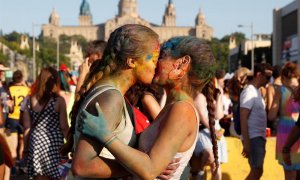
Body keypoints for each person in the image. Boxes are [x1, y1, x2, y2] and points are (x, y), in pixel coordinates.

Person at [76, 35, 217, 179]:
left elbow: (149, 170)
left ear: (182, 64)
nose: (155, 64)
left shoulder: (182, 110)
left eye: (161, 57)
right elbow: (149, 165)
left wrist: (105, 135)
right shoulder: (174, 106)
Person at [22, 67, 69, 179]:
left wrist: (25, 148)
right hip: (55, 142)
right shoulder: (59, 101)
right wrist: (71, 145)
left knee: (40, 176)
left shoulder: (29, 100)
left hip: (37, 142)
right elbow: (64, 127)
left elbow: (27, 128)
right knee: (57, 175)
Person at [240, 63, 273, 180]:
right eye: (268, 76)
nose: (270, 80)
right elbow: (243, 117)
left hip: (258, 137)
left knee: (257, 170)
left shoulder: (256, 91)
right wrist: (247, 143)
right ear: (259, 74)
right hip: (253, 138)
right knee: (256, 171)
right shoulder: (249, 92)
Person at [268, 62, 300, 180]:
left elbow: (271, 116)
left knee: (289, 173)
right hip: (298, 131)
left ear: (284, 77)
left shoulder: (280, 91)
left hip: (285, 135)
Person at [189, 79, 225, 180]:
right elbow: (203, 117)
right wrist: (213, 131)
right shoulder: (200, 97)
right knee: (209, 156)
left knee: (215, 165)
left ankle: (198, 174)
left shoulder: (213, 96)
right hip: (204, 132)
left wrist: (219, 97)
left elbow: (219, 115)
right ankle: (198, 174)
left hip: (215, 131)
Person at [266, 65, 282, 135]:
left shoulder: (271, 87)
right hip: (284, 119)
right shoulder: (285, 87)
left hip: (275, 121)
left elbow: (269, 107)